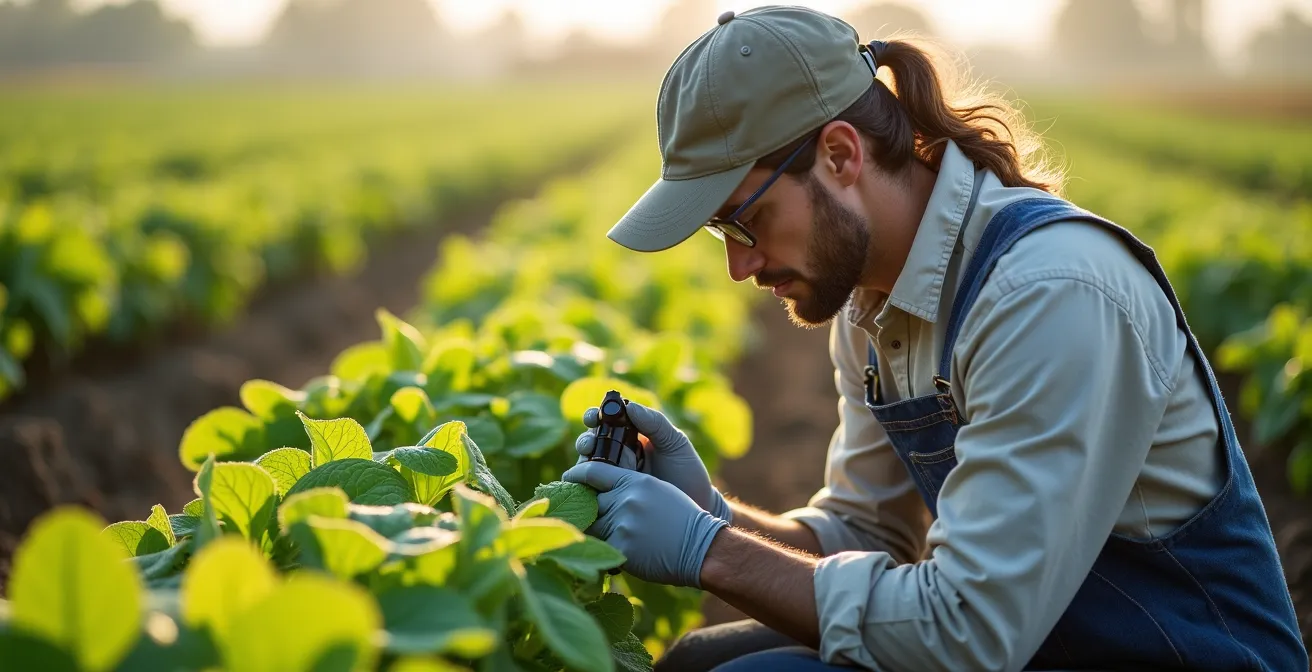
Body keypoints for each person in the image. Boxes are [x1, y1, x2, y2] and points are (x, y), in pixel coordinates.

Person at [561, 5, 1309, 671]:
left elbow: (966, 635)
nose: (739, 264)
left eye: (743, 219)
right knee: (699, 660)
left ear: (841, 155)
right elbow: (869, 535)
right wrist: (718, 515)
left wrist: (708, 552)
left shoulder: (1050, 297)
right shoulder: (867, 303)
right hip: (1043, 642)